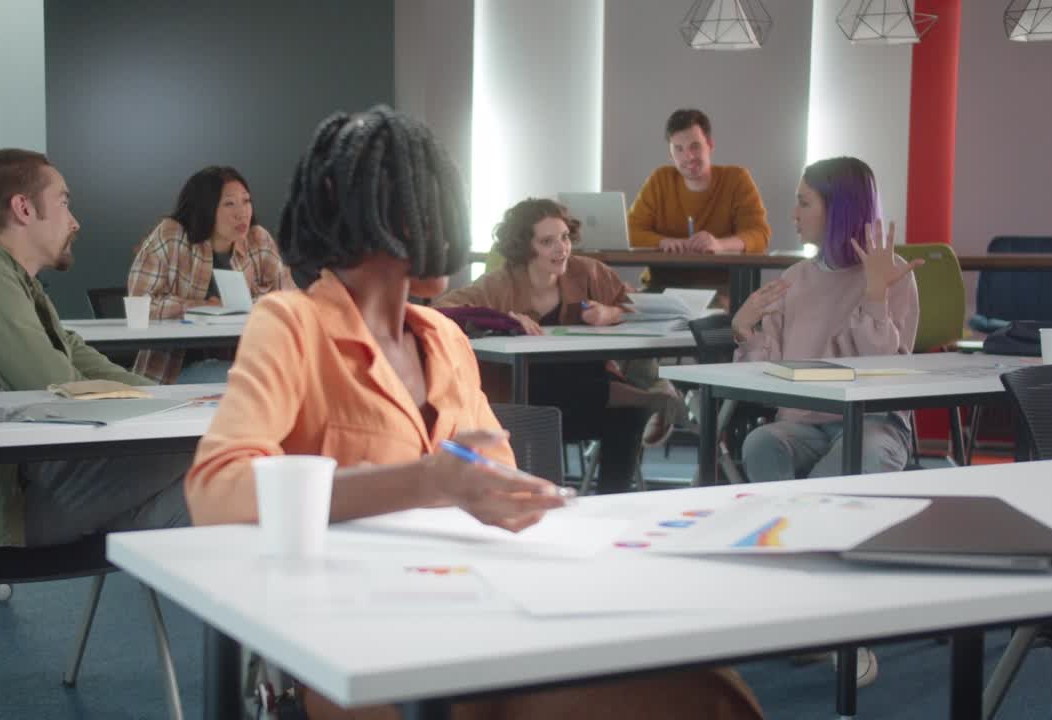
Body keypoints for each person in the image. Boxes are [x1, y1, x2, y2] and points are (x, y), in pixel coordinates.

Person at [185, 106, 763, 720]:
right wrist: (426, 481)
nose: (451, 226)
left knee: (700, 687)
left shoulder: (443, 337)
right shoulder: (292, 324)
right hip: (361, 639)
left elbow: (498, 485)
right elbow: (215, 490)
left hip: (479, 609)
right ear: (380, 213)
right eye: (434, 202)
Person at [0, 149, 191, 551]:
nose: (75, 222)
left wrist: (176, 401)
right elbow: (59, 385)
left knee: (205, 495)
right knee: (213, 449)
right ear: (24, 208)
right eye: (64, 202)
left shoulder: (20, 285)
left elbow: (83, 358)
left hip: (31, 481)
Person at [735, 157, 922, 686]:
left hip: (875, 423)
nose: (792, 214)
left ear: (837, 209)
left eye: (803, 202)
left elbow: (882, 370)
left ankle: (841, 626)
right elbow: (765, 374)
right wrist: (745, 329)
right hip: (804, 424)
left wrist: (875, 294)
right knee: (760, 444)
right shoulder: (795, 278)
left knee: (853, 463)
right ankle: (810, 604)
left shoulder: (891, 273)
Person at [433, 198, 686, 494]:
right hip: (528, 399)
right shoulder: (500, 283)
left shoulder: (588, 272)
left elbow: (640, 306)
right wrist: (502, 319)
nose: (561, 248)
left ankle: (611, 500)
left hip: (583, 395)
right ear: (525, 247)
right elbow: (442, 308)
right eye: (547, 241)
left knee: (628, 417)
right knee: (553, 386)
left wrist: (611, 313)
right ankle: (647, 397)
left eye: (565, 237)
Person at [128, 166, 295, 384]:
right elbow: (140, 303)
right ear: (205, 208)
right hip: (174, 371)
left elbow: (289, 301)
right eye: (229, 204)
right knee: (264, 382)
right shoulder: (171, 235)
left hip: (246, 361)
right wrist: (201, 306)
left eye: (246, 201)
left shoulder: (258, 240)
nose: (242, 212)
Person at [627, 108, 771, 294]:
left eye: (694, 146)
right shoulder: (659, 180)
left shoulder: (737, 179)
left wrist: (719, 245)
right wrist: (662, 242)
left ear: (710, 145)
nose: (688, 156)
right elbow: (630, 231)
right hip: (660, 288)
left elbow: (759, 234)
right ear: (670, 154)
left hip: (721, 291)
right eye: (678, 149)